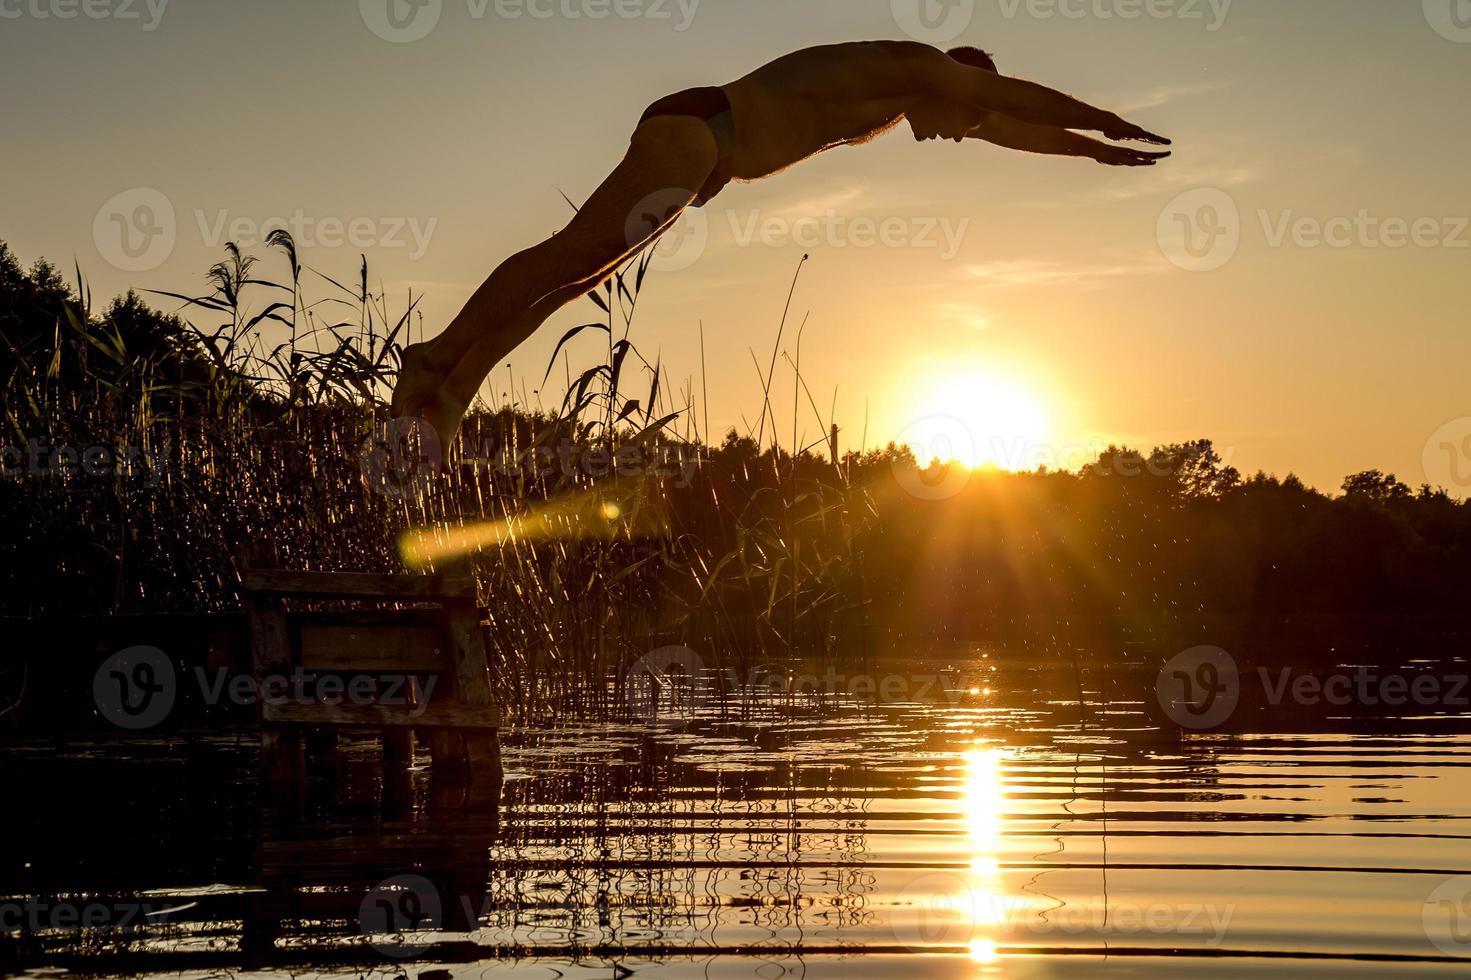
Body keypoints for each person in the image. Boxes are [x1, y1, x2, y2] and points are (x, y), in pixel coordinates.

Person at [391, 41, 1171, 447]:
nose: (963, 138)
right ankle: (435, 355)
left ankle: (454, 387)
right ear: (956, 87)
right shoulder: (916, 68)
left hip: (703, 149)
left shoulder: (898, 95)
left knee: (571, 282)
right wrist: (1105, 117)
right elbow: (1008, 102)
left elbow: (1009, 127)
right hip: (697, 133)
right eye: (964, 119)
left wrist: (1096, 152)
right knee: (568, 257)